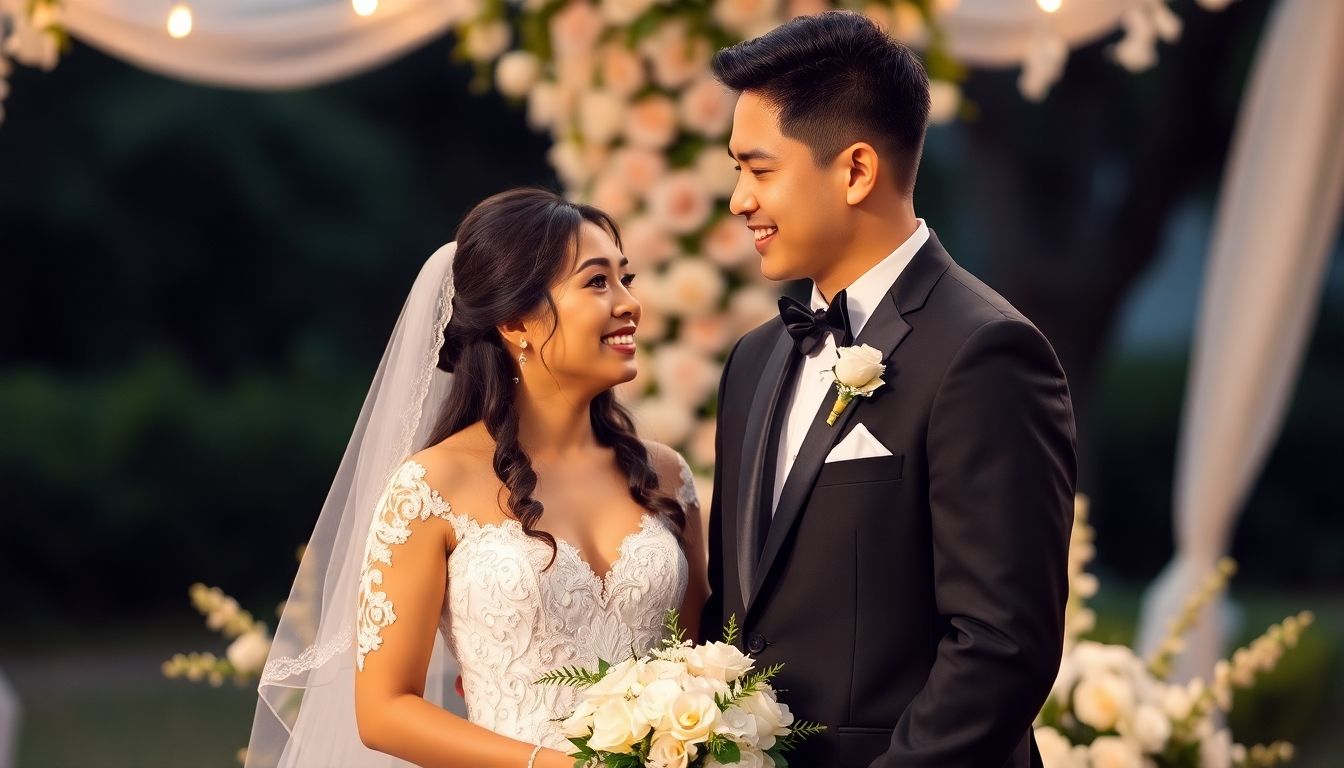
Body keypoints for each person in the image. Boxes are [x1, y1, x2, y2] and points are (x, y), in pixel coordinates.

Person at [702, 12, 1078, 767]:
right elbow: (734, 612)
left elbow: (1001, 647)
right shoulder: (753, 359)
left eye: (759, 168)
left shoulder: (986, 352)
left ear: (856, 170)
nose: (739, 198)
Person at [245, 188, 708, 767]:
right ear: (516, 321)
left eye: (626, 279)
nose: (629, 304)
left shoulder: (666, 475)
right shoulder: (430, 487)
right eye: (597, 282)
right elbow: (384, 709)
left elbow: (696, 662)